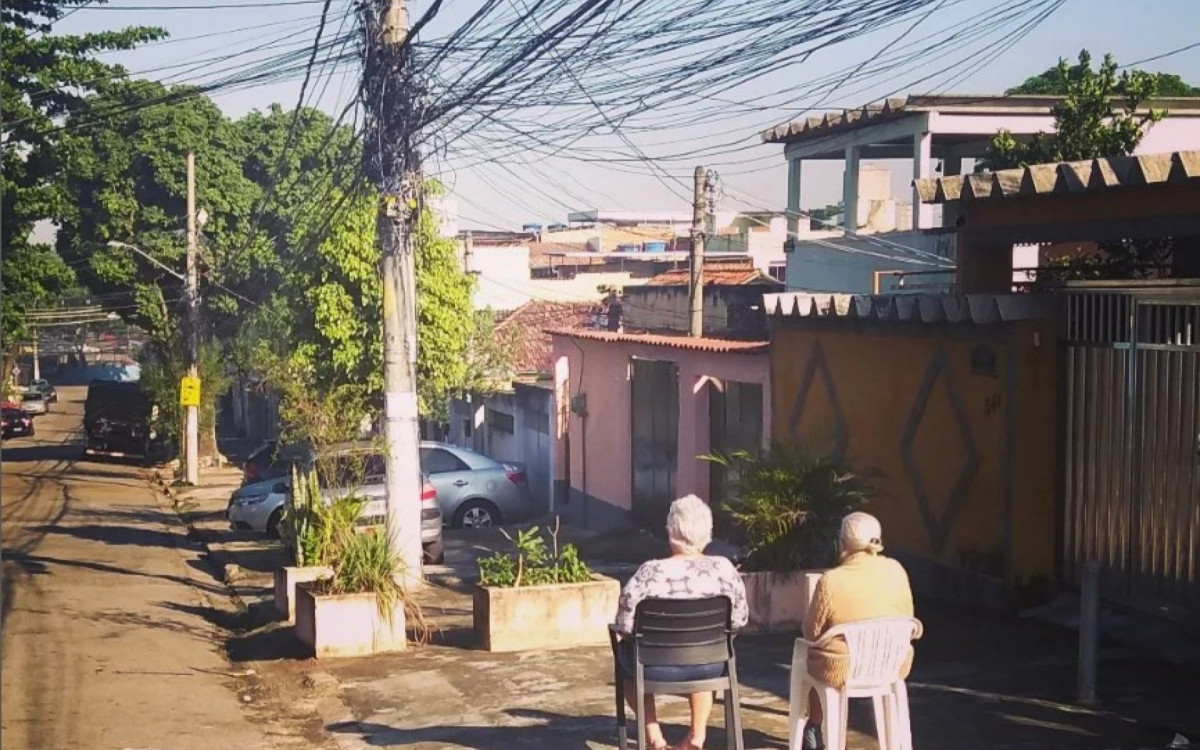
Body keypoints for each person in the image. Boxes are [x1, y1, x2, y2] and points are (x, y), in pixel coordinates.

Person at [614, 494, 748, 750]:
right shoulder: (725, 570)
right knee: (704, 650)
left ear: (671, 531)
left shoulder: (649, 572)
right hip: (710, 664)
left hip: (653, 666)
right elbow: (740, 619)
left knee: (625, 661)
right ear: (707, 532)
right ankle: (696, 738)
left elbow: (624, 625)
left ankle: (654, 738)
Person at [799, 512, 916, 750]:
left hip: (843, 669)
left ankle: (813, 725)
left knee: (807, 656)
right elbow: (909, 616)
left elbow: (811, 633)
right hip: (892, 663)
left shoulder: (830, 580)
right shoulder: (897, 570)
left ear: (842, 543)